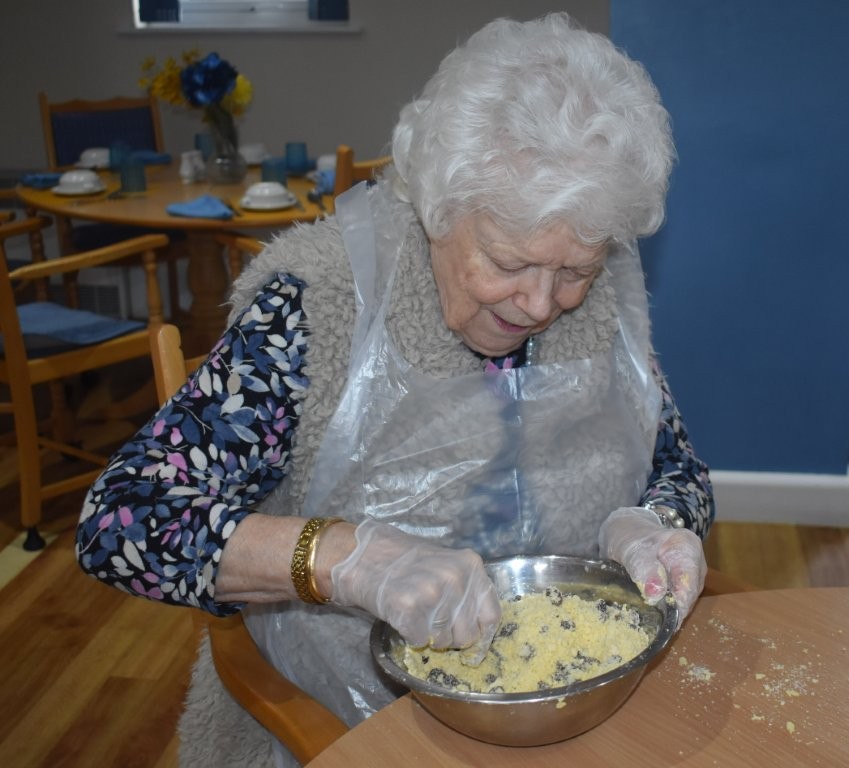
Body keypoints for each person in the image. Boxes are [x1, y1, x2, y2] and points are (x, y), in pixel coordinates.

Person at [77, 12, 714, 767]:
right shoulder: (317, 306)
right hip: (336, 719)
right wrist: (342, 557)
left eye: (573, 271)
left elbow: (674, 469)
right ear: (437, 208)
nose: (541, 304)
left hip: (564, 704)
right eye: (509, 261)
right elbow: (121, 522)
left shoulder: (604, 308)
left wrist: (653, 523)